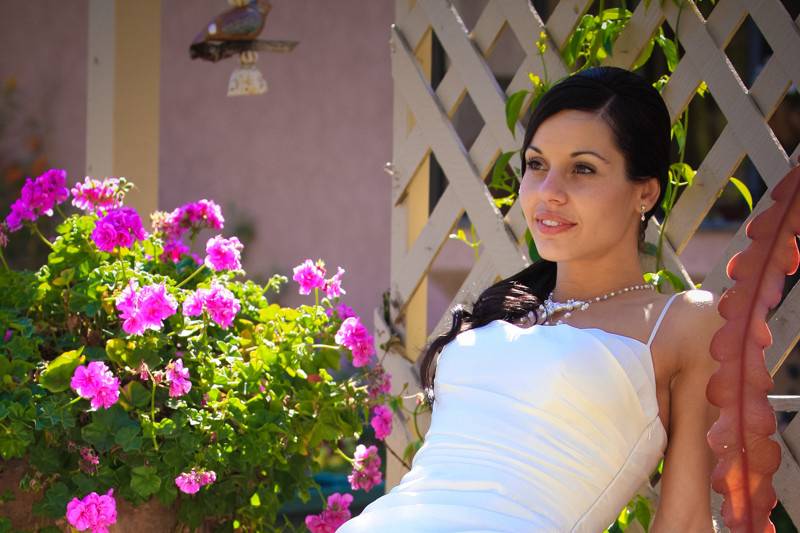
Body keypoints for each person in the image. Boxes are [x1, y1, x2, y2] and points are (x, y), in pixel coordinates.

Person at [337, 66, 724, 532]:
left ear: (645, 192)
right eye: (536, 165)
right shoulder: (512, 311)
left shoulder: (681, 321)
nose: (548, 193)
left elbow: (684, 523)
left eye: (582, 169)